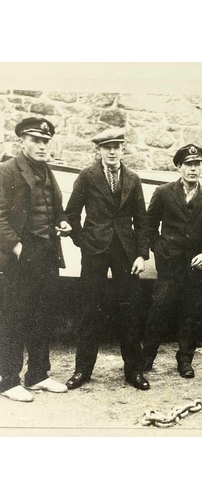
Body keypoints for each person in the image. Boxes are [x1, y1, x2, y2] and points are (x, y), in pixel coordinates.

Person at [65, 128, 150, 391]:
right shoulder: (87, 176)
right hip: (95, 252)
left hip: (126, 253)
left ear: (123, 150)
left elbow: (142, 220)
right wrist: (83, 242)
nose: (112, 152)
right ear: (99, 150)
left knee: (130, 311)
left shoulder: (133, 178)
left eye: (117, 147)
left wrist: (141, 254)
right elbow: (71, 214)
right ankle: (82, 370)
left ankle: (133, 371)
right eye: (107, 147)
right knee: (89, 309)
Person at [0, 117, 71, 402]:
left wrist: (63, 222)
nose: (42, 146)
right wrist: (16, 248)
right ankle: (7, 379)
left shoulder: (47, 171)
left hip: (47, 253)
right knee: (14, 317)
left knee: (43, 315)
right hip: (20, 255)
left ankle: (38, 375)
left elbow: (57, 209)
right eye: (36, 141)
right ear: (23, 141)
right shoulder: (7, 171)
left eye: (45, 141)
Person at [141, 144, 202, 378]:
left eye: (197, 165)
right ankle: (146, 357)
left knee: (192, 315)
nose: (193, 170)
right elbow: (149, 225)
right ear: (179, 166)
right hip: (169, 266)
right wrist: (159, 247)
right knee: (159, 311)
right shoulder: (164, 192)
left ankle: (185, 360)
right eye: (188, 165)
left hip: (196, 270)